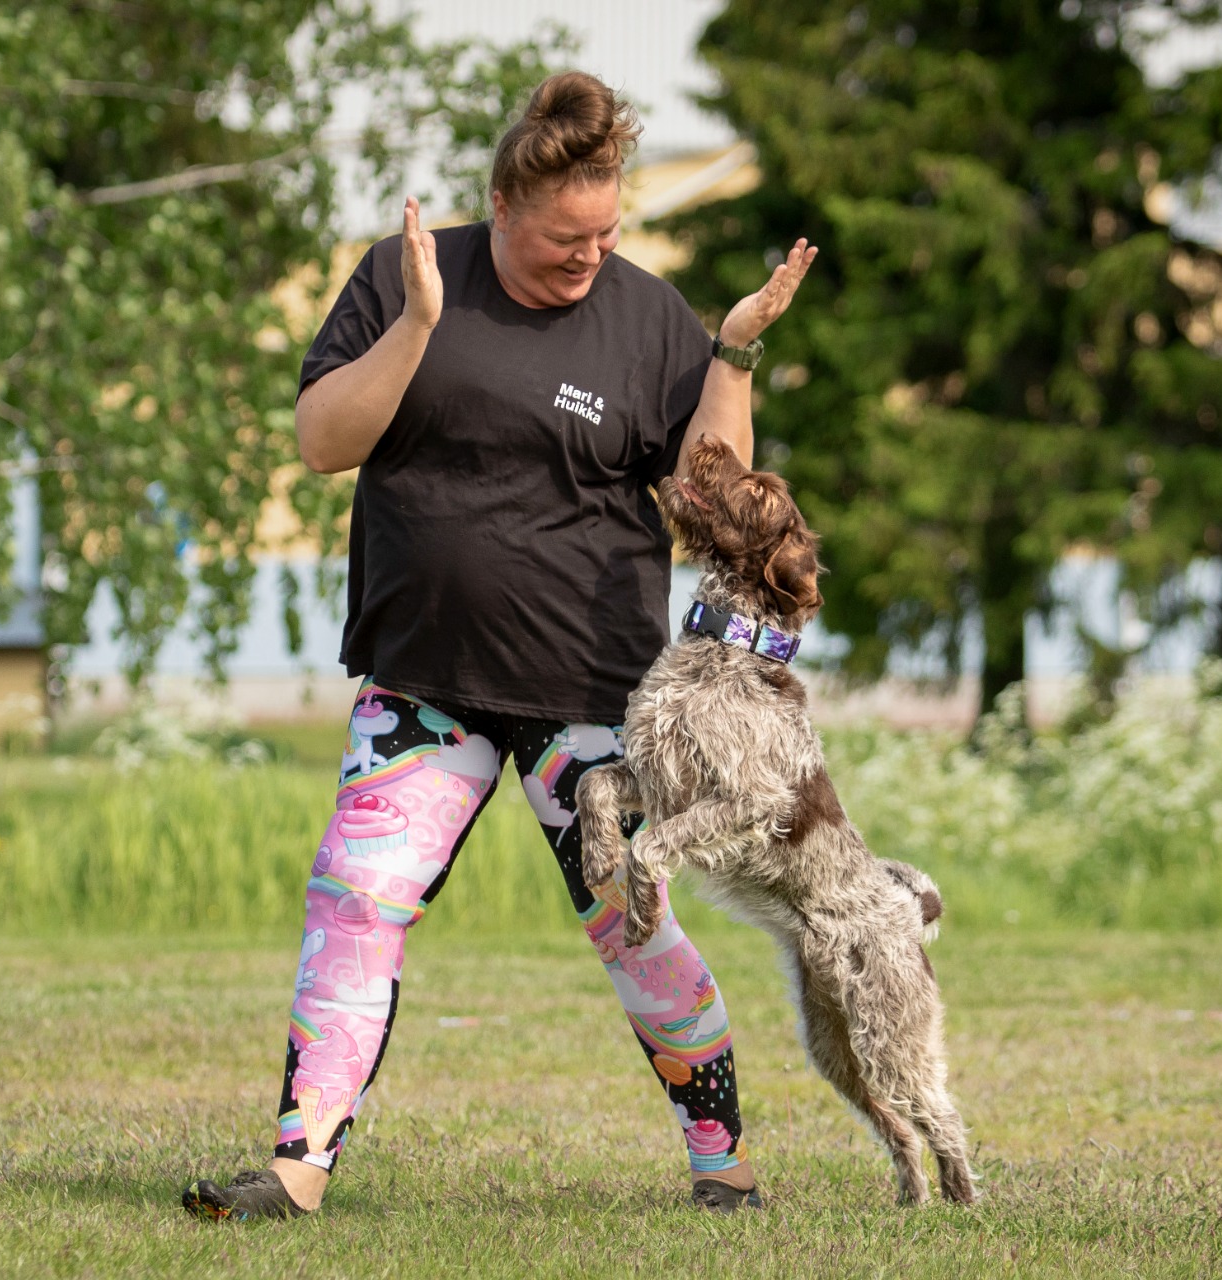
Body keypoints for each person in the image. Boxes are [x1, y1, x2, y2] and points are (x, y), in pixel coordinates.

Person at [182, 70, 816, 1221]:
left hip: (589, 697)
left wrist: (730, 353)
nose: (589, 258)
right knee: (357, 899)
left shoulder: (644, 320)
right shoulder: (404, 277)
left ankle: (723, 1162)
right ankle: (298, 1166)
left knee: (632, 925)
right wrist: (421, 326)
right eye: (566, 238)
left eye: (608, 233)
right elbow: (324, 437)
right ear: (502, 207)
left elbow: (716, 497)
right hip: (424, 682)